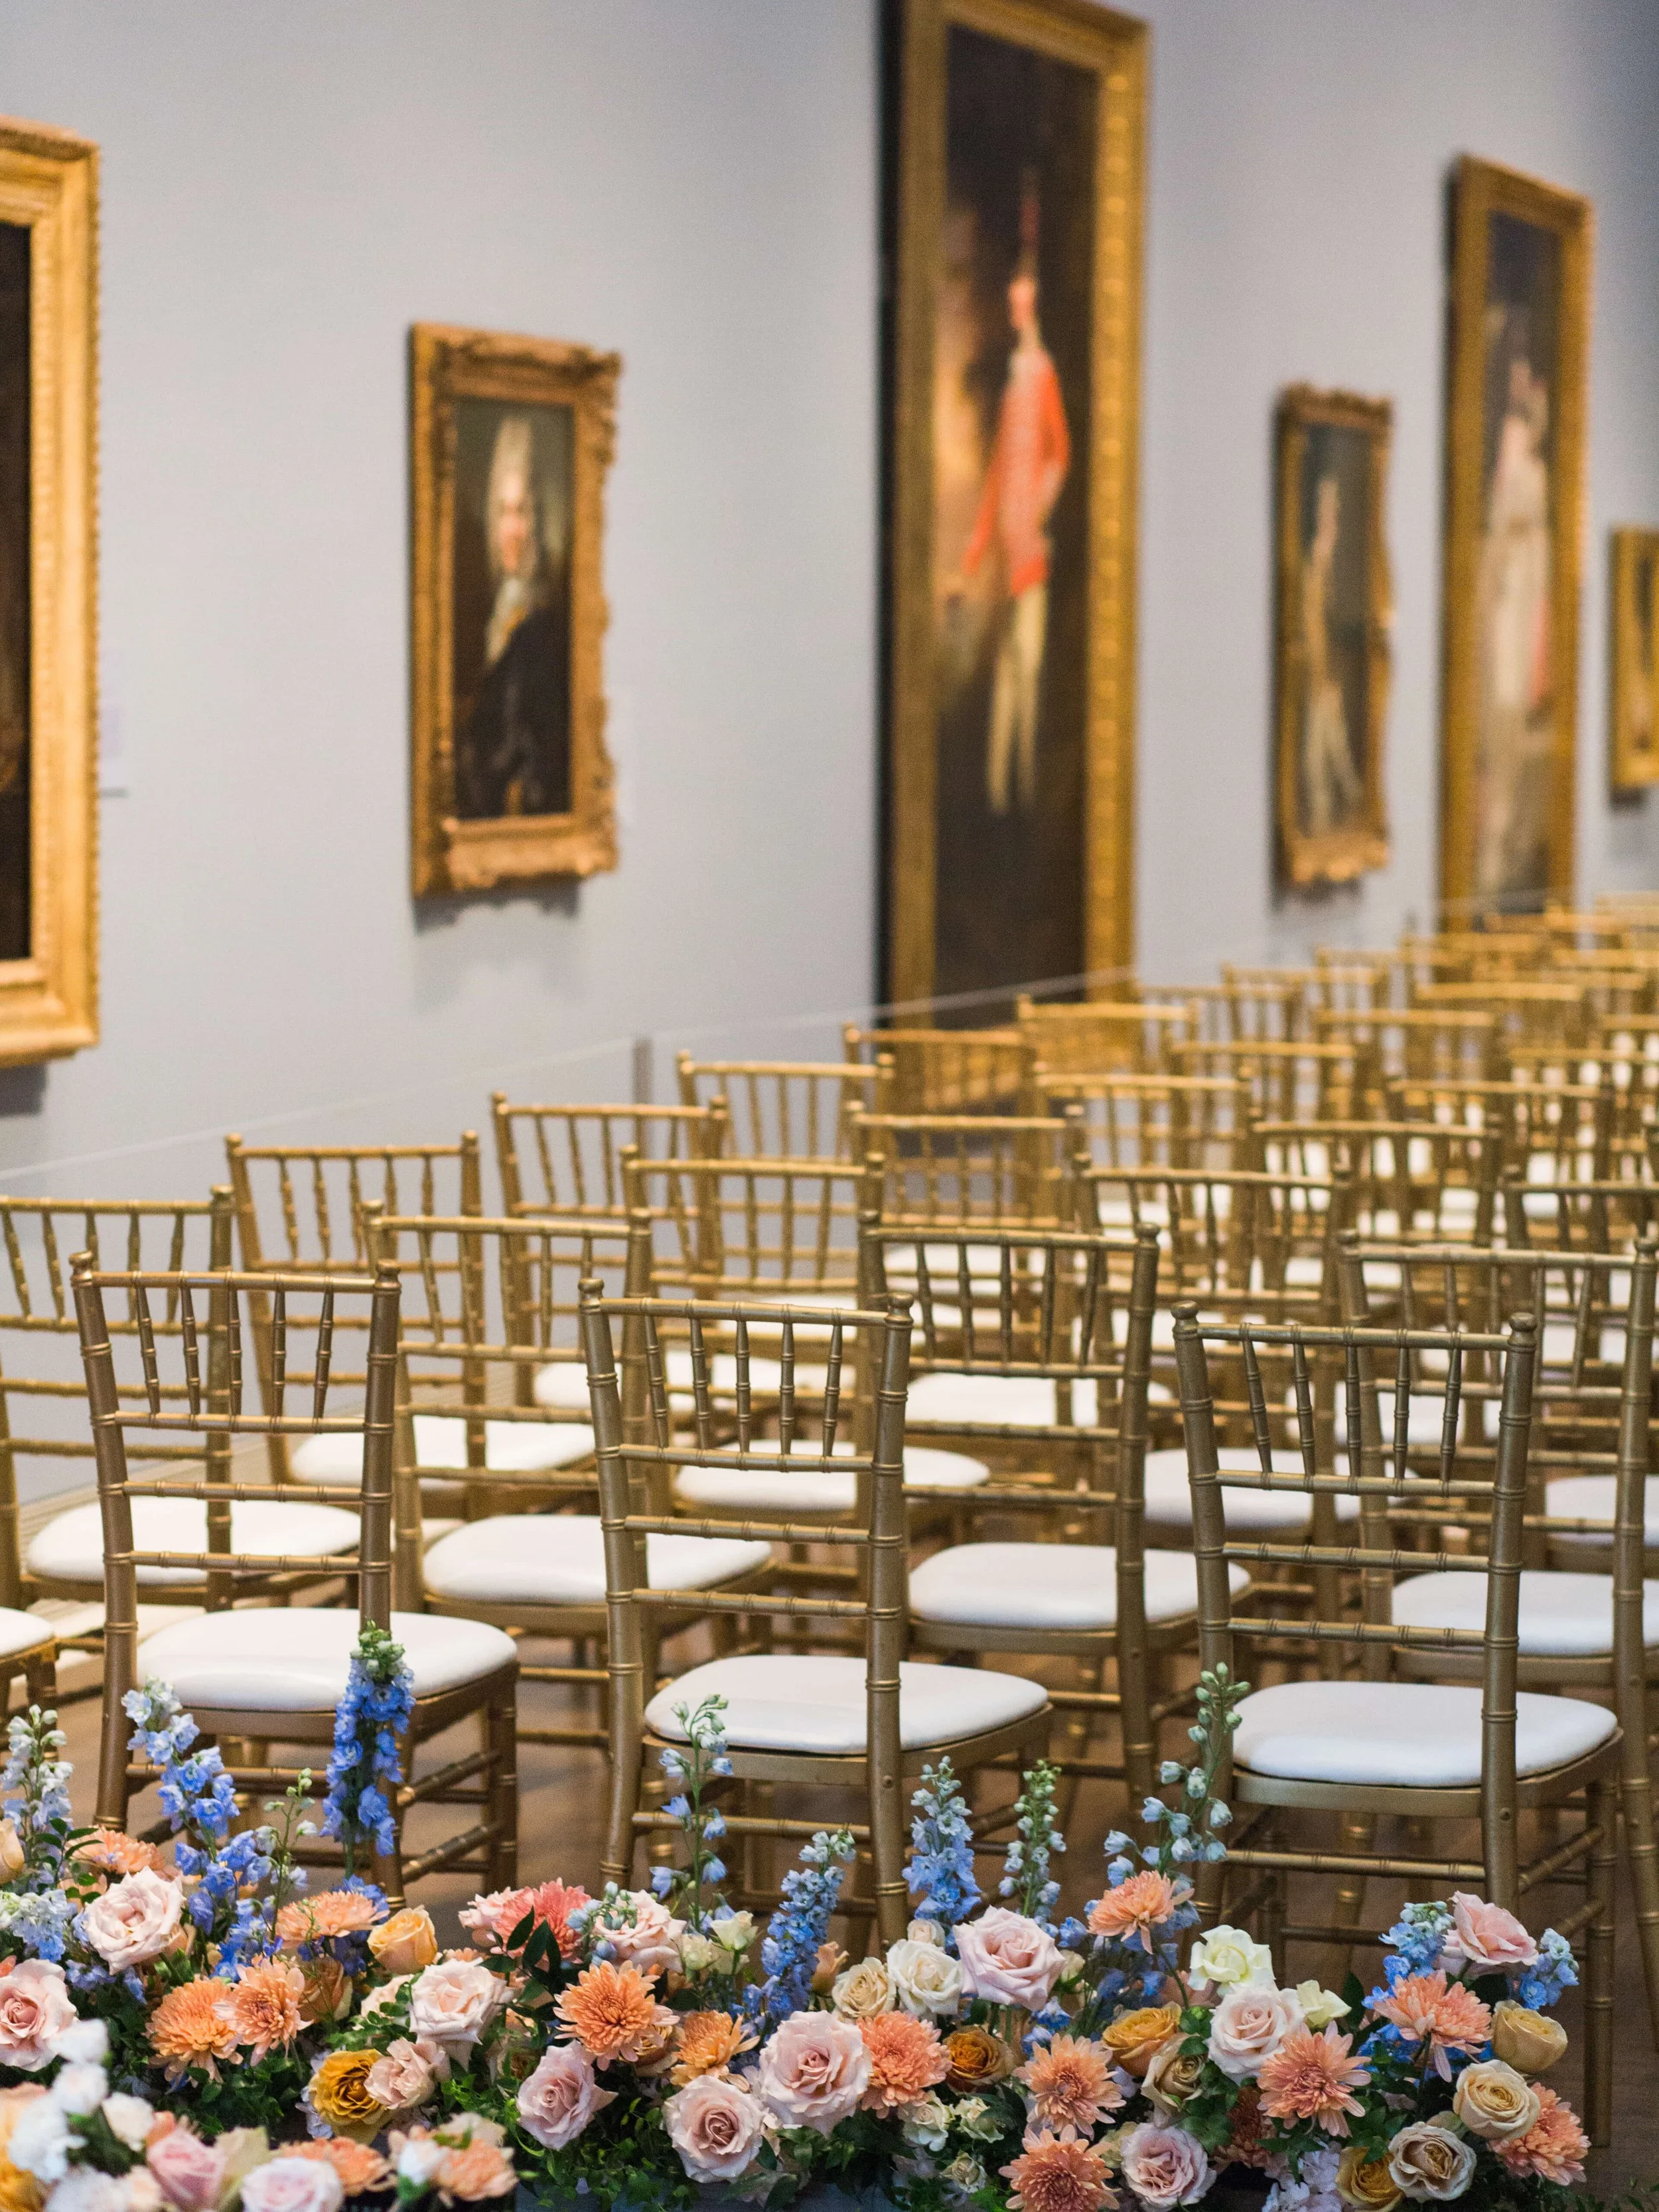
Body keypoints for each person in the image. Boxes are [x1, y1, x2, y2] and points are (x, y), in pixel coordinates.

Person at [957, 213, 1070, 818]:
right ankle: (1001, 793)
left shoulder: (1042, 373)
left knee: (1027, 663)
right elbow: (1000, 467)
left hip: (1030, 538)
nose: (1016, 310)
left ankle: (1021, 788)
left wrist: (1041, 506)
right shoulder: (1012, 382)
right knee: (1008, 665)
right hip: (1009, 537)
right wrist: (977, 549)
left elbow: (1060, 451)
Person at [455, 413, 570, 820]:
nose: (512, 529)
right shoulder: (498, 608)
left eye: (522, 511)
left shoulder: (543, 628)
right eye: (503, 511)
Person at [1475, 348, 1551, 897]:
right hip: (1503, 597)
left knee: (1515, 729)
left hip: (1520, 597)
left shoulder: (1534, 469)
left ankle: (1503, 851)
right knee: (1497, 723)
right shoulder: (1511, 452)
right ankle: (1492, 854)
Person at [1299, 473, 1363, 837]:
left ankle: (1344, 801)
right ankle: (1336, 806)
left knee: (1329, 747)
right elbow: (1313, 623)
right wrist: (1321, 675)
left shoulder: (1329, 562)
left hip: (1325, 671)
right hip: (1316, 672)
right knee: (1321, 750)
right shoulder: (1318, 564)